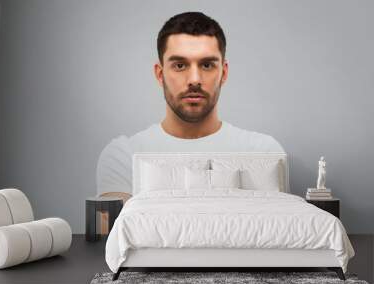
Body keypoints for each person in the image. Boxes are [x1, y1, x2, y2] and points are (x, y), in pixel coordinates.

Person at [96, 11, 284, 195]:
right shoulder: (124, 155)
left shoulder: (263, 151)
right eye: (180, 65)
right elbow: (115, 226)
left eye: (207, 65)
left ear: (223, 73)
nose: (194, 79)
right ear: (160, 75)